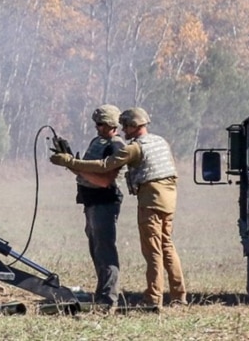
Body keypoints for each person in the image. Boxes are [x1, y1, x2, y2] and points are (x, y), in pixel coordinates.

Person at [50, 107, 187, 309]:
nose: (123, 130)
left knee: (153, 251)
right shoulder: (160, 141)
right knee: (166, 246)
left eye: (125, 126)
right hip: (168, 199)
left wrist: (71, 162)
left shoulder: (133, 148)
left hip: (150, 201)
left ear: (134, 126)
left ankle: (153, 298)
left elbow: (105, 167)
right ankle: (179, 296)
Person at [63, 105, 126, 307]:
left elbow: (105, 181)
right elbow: (84, 171)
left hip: (104, 201)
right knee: (96, 250)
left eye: (100, 124)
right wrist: (70, 162)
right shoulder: (97, 142)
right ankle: (101, 294)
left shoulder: (116, 146)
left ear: (111, 125)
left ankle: (108, 299)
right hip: (91, 201)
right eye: (96, 124)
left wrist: (74, 164)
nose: (97, 128)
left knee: (105, 250)